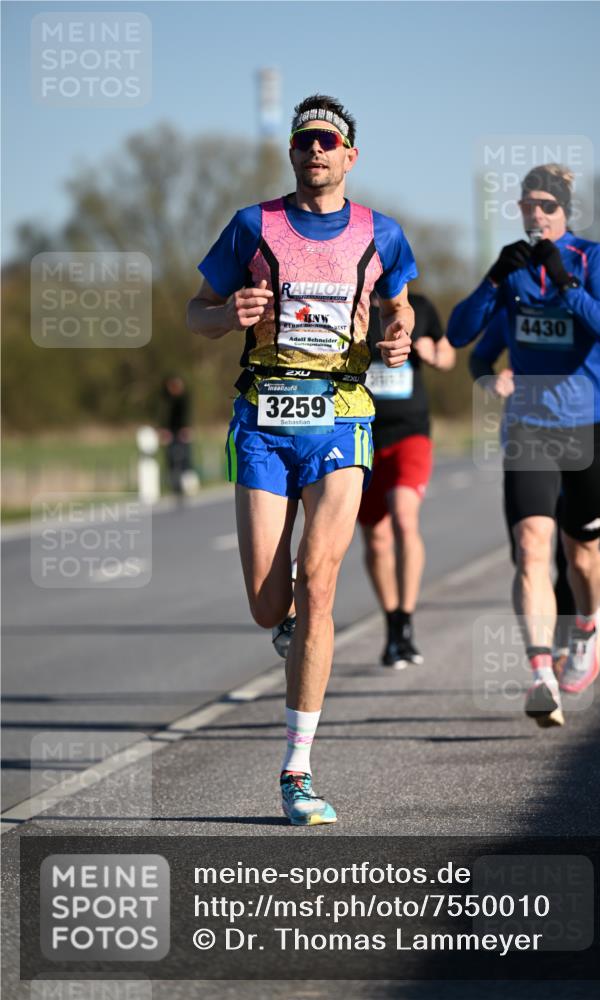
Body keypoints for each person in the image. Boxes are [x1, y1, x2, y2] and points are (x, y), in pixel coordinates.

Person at [186, 94, 417, 825]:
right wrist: (227, 316)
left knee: (319, 584)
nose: (314, 149)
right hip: (263, 417)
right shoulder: (254, 225)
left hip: (341, 414)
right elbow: (197, 310)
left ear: (350, 154)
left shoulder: (381, 232)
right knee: (267, 605)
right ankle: (286, 626)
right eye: (303, 140)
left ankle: (297, 772)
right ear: (292, 153)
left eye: (327, 140)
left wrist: (396, 334)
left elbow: (400, 305)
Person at [448, 163, 600, 728]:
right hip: (528, 427)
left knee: (584, 558)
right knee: (531, 549)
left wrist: (568, 286)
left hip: (588, 422)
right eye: (528, 204)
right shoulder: (515, 272)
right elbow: (463, 340)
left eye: (547, 205)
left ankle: (589, 624)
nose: (536, 214)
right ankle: (540, 675)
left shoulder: (591, 259)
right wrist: (493, 281)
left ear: (565, 210)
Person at [469, 313, 600, 673]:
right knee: (531, 553)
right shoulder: (518, 307)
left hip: (588, 447)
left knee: (575, 558)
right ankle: (545, 667)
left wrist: (595, 372)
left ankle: (581, 632)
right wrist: (494, 382)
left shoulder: (592, 315)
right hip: (530, 446)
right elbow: (477, 354)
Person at [359, 292, 455, 668]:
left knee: (403, 517)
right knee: (377, 538)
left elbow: (449, 355)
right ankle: (392, 624)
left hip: (410, 432)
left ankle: (407, 620)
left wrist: (433, 353)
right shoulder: (350, 303)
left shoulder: (420, 308)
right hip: (360, 435)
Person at [159, 375, 194, 496]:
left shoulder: (184, 398)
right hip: (170, 431)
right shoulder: (165, 399)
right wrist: (164, 430)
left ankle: (188, 484)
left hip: (182, 431)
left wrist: (185, 429)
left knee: (185, 457)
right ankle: (173, 484)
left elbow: (186, 415)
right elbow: (163, 416)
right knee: (171, 458)